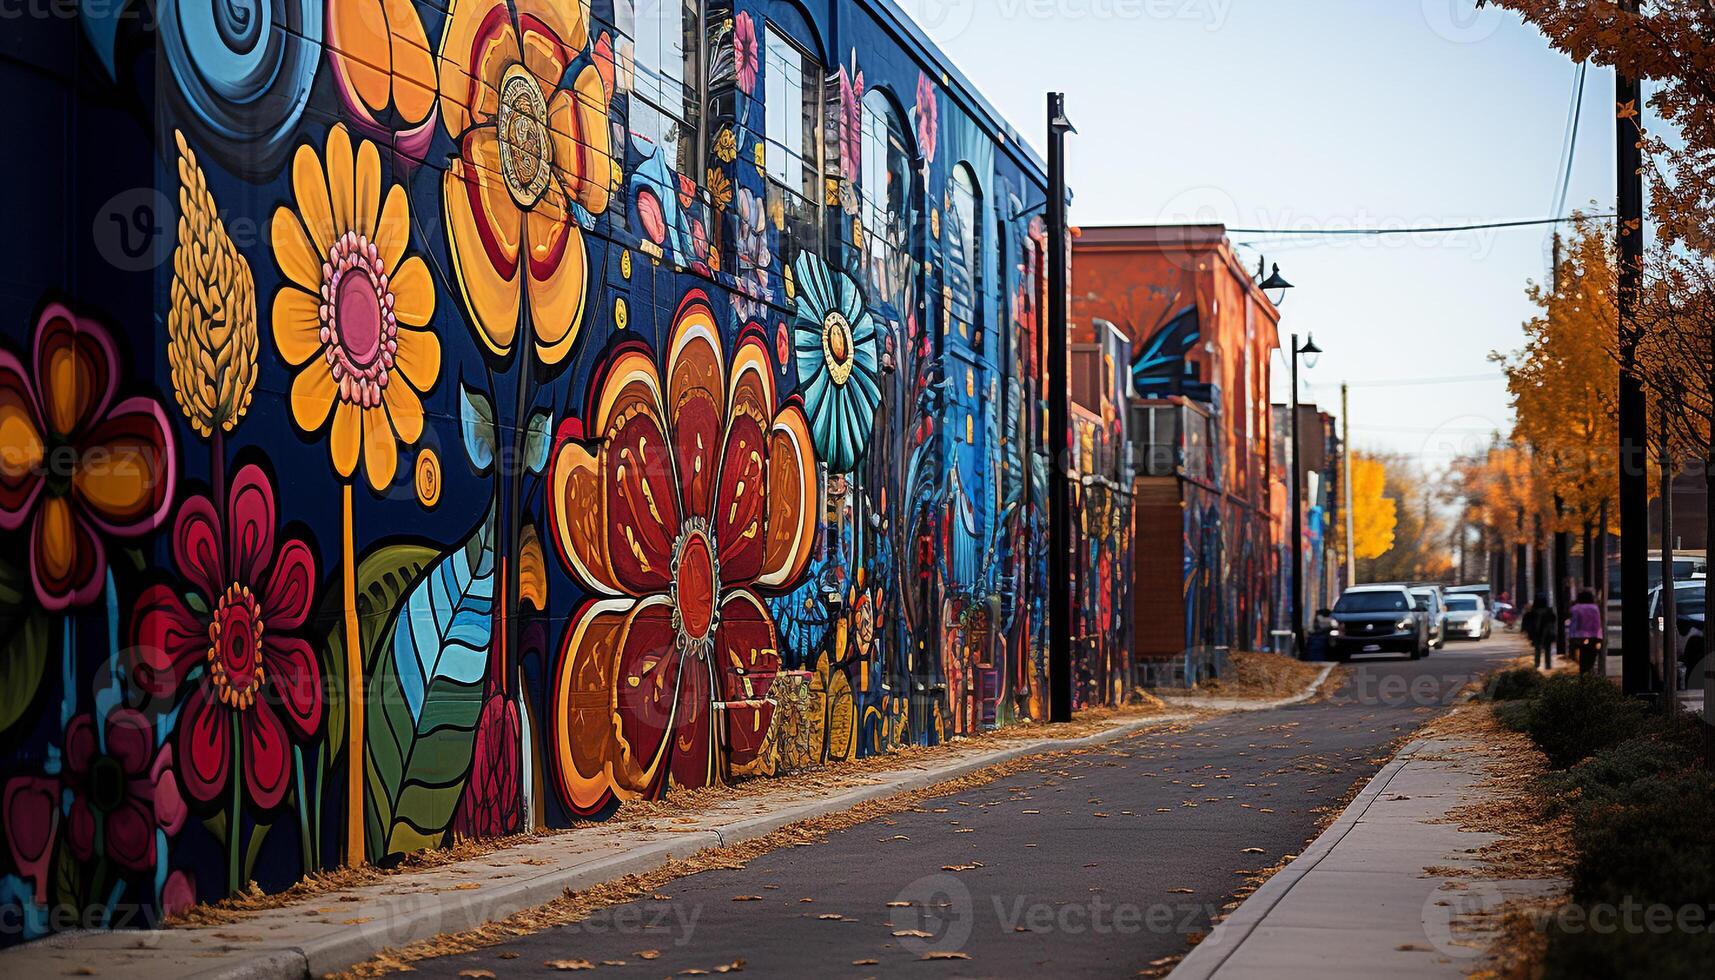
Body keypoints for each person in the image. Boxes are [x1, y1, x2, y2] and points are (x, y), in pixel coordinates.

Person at [1566, 588, 1604, 675]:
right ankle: (1589, 674)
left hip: (1578, 637)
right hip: (1593, 637)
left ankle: (1583, 676)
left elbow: (1574, 625)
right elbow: (1597, 624)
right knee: (1590, 658)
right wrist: (1599, 639)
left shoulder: (1575, 608)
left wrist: (1572, 638)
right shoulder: (1595, 608)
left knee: (1580, 660)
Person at [1522, 595, 1556, 669]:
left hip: (1537, 634)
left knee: (1538, 650)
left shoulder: (1533, 612)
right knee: (1547, 650)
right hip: (1547, 634)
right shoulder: (1548, 611)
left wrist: (1528, 633)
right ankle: (1548, 665)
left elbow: (1528, 623)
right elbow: (1553, 620)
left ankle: (1537, 664)